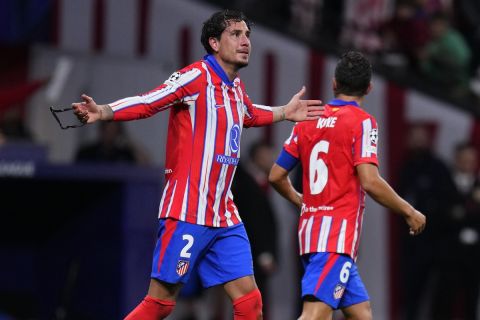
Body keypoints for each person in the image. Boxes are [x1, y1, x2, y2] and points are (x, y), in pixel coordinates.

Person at [71, 9, 322, 320]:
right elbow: (151, 101)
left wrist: (284, 111)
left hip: (224, 214)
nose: (245, 42)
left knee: (250, 302)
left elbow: (248, 114)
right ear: (214, 43)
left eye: (247, 35)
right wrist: (105, 111)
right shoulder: (195, 77)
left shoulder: (234, 87)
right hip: (187, 210)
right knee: (160, 304)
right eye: (236, 34)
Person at [268, 51, 426, 320]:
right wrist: (409, 211)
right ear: (369, 88)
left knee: (361, 313)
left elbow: (275, 176)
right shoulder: (362, 122)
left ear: (333, 83)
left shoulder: (309, 119)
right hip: (335, 236)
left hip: (312, 233)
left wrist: (301, 201)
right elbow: (370, 180)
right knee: (315, 314)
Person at [431, 142, 480, 320]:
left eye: (471, 161)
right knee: (444, 299)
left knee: (472, 300)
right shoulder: (444, 183)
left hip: (474, 257)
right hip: (449, 255)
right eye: (464, 160)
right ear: (457, 160)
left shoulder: (477, 182)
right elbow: (442, 215)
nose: (468, 164)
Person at [231, 140, 279, 320]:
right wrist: (264, 253)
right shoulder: (245, 184)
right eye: (268, 156)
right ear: (258, 157)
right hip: (251, 254)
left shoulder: (256, 181)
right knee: (251, 300)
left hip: (253, 255)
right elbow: (254, 223)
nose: (272, 160)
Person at [75, 121, 150, 165]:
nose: (110, 134)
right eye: (107, 130)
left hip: (117, 190)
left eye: (113, 131)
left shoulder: (123, 154)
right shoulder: (87, 152)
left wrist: (129, 141)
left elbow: (146, 165)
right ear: (101, 130)